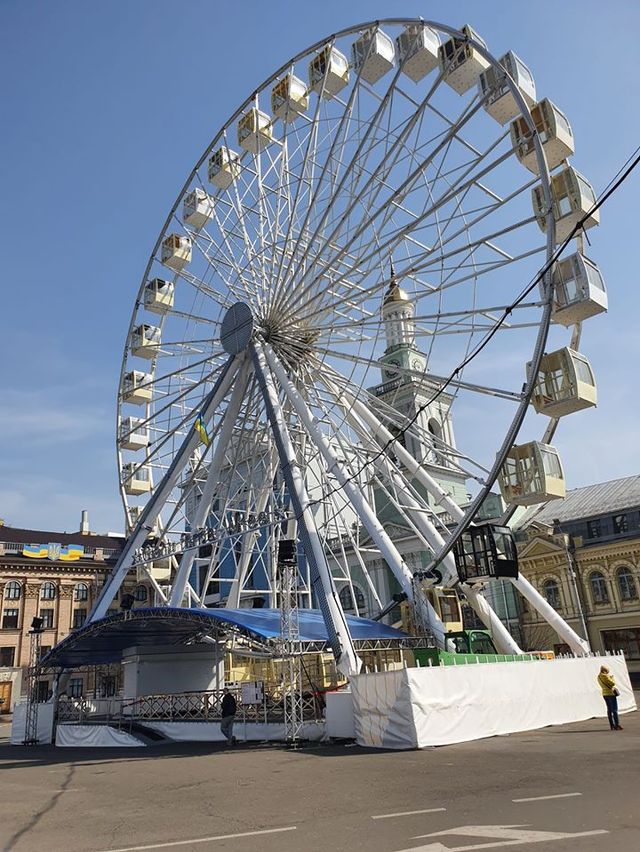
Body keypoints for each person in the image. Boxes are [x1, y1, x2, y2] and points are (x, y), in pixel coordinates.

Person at [597, 665, 623, 730]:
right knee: (614, 710)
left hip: (604, 694)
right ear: (605, 670)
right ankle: (617, 725)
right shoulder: (605, 676)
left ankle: (612, 725)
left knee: (609, 710)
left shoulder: (598, 677)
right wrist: (612, 678)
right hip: (611, 694)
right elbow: (612, 683)